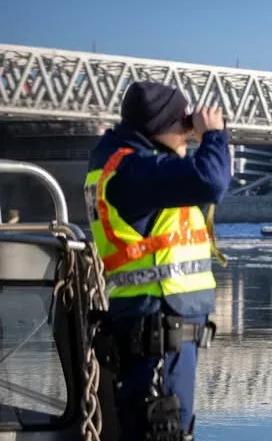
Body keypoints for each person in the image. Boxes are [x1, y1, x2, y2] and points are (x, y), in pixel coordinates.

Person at [83, 81, 231, 440]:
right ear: (157, 127)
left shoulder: (125, 164)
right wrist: (213, 135)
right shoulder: (136, 172)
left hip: (155, 325)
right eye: (181, 123)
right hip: (157, 330)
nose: (187, 131)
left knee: (157, 426)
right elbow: (212, 181)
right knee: (162, 429)